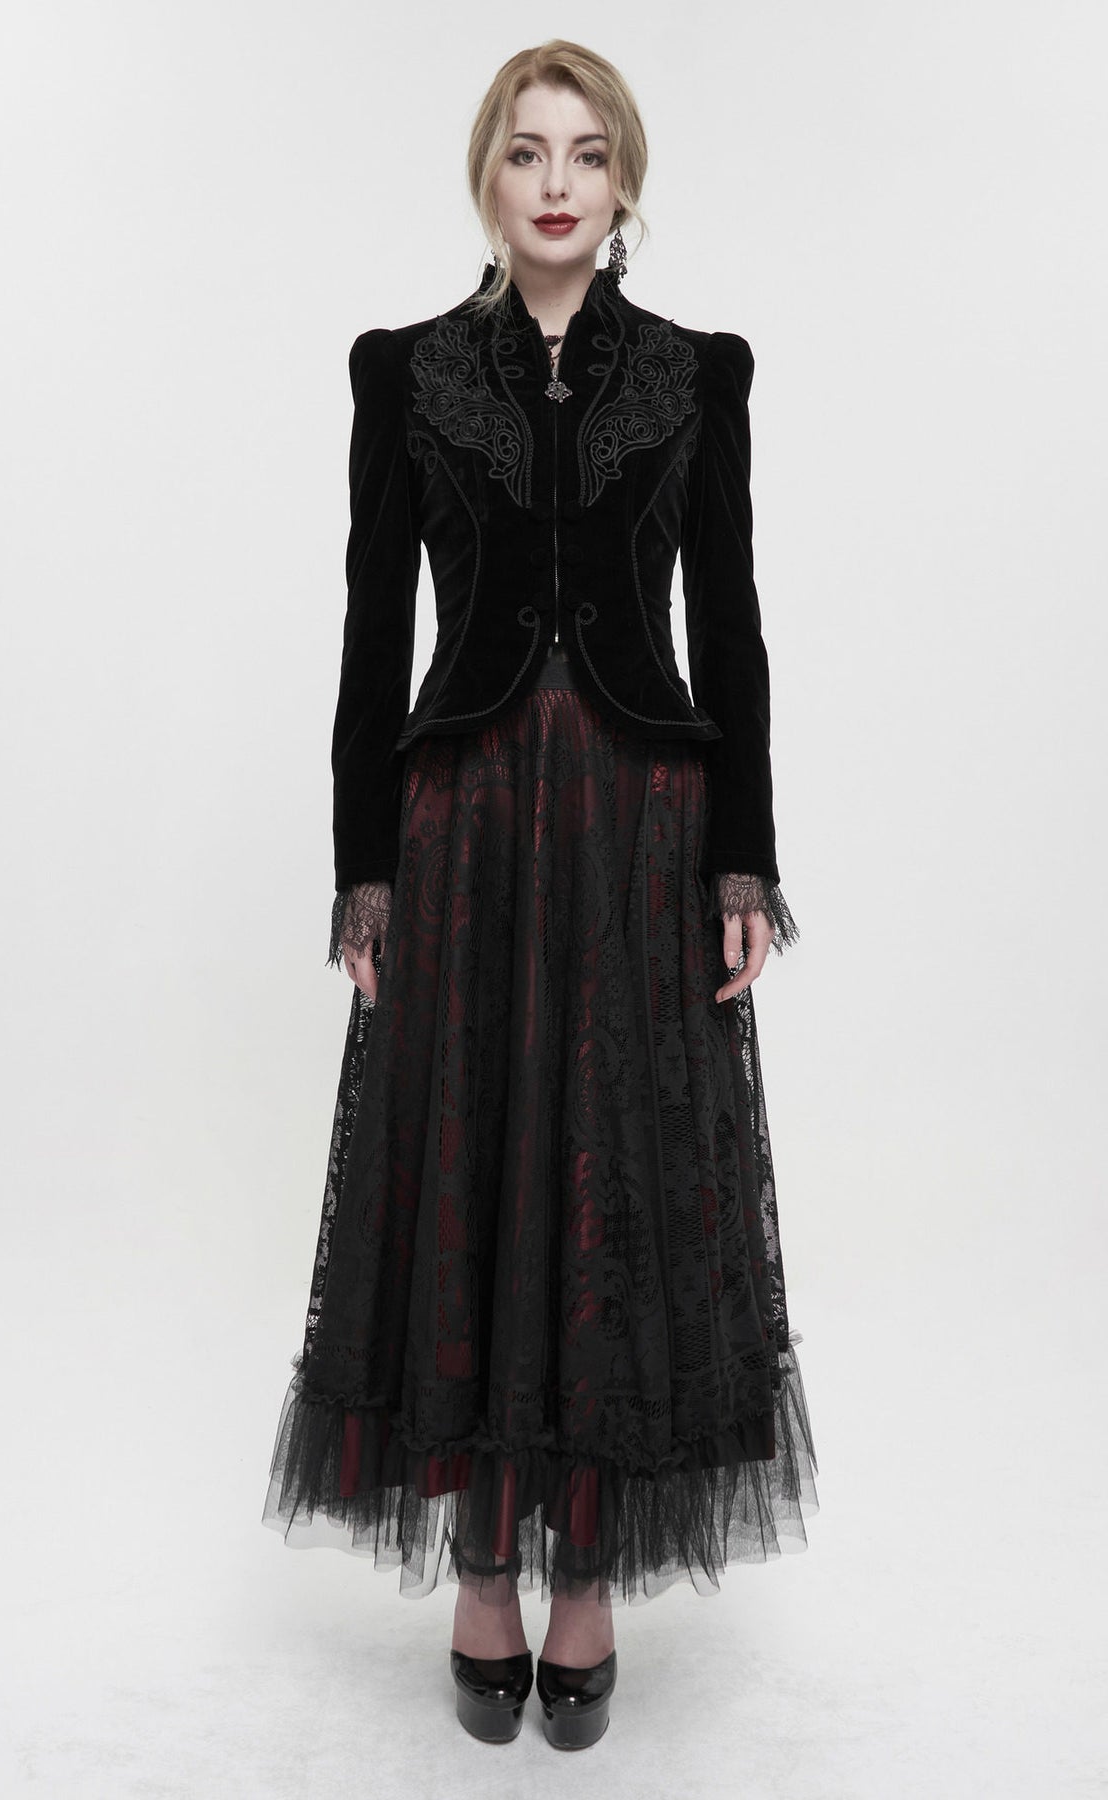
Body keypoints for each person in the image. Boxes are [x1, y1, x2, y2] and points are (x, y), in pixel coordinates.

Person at [262, 39, 820, 1751]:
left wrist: (745, 857)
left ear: (624, 179)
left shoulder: (699, 375)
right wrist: (364, 867)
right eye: (527, 151)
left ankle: (588, 1574)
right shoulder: (409, 372)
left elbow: (732, 628)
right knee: (477, 1167)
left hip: (645, 824)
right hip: (470, 825)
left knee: (619, 1177)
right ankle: (485, 1567)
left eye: (586, 152)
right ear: (488, 179)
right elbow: (373, 633)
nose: (557, 181)